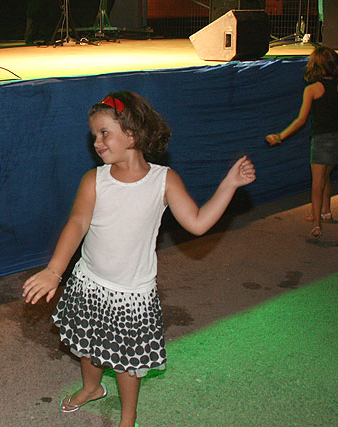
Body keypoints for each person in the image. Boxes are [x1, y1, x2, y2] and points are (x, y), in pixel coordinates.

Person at [22, 91, 256, 427]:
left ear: (132, 133)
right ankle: (91, 388)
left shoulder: (164, 180)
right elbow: (77, 223)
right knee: (88, 345)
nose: (97, 142)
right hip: (90, 282)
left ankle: (128, 417)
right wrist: (55, 270)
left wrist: (229, 185)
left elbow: (198, 223)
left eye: (104, 133)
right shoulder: (94, 180)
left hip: (132, 294)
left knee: (127, 362)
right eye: (94, 135)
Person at [265, 46, 338, 240]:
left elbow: (301, 120)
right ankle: (325, 212)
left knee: (317, 183)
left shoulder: (312, 89)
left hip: (321, 140)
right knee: (326, 176)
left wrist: (280, 136)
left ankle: (317, 224)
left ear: (315, 66)